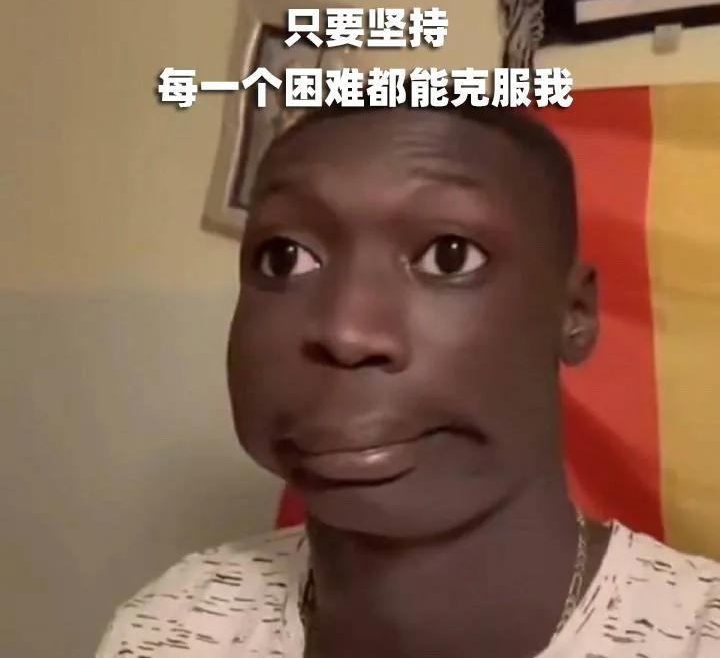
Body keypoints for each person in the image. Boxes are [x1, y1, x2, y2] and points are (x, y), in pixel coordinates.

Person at [96, 101, 720, 658]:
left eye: (449, 255)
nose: (346, 331)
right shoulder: (174, 624)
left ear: (574, 316)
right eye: (284, 258)